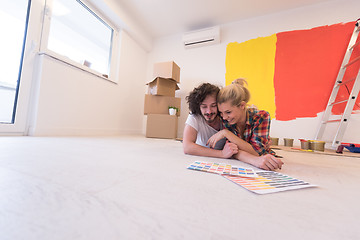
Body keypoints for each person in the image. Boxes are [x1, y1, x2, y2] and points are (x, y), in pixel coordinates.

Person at [207, 78, 284, 171]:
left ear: (242, 105)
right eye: (221, 113)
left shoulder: (262, 117)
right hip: (248, 163)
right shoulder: (226, 120)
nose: (224, 117)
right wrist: (253, 158)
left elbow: (257, 152)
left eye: (228, 112)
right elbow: (232, 151)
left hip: (264, 161)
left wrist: (226, 133)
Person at [183, 83, 239, 158]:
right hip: (201, 157)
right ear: (198, 107)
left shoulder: (226, 117)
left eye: (213, 106)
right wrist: (221, 154)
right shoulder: (194, 117)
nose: (209, 111)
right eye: (204, 107)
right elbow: (187, 147)